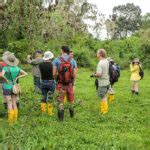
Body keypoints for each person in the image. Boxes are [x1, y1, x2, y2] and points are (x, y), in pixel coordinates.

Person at [0, 53, 27, 123]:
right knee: (14, 103)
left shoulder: (5, 68)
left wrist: (6, 80)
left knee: (9, 102)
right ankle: (15, 119)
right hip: (15, 87)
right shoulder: (17, 68)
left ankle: (10, 120)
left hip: (7, 86)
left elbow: (1, 75)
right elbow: (26, 74)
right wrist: (18, 77)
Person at [53, 46, 77, 121]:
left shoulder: (56, 60)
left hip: (60, 84)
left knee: (60, 101)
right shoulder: (72, 60)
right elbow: (74, 74)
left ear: (62, 50)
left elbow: (53, 74)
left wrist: (57, 78)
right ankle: (72, 116)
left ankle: (61, 119)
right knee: (71, 100)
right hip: (69, 84)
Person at [91, 49, 110, 114]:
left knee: (103, 96)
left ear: (100, 54)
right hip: (107, 81)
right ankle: (104, 109)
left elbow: (99, 74)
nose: (96, 54)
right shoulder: (106, 61)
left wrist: (94, 75)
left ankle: (104, 111)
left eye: (97, 53)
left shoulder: (100, 63)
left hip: (102, 83)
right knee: (105, 96)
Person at [39, 51, 56, 115]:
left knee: (43, 96)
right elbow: (54, 74)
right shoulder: (53, 65)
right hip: (51, 82)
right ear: (50, 58)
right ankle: (50, 112)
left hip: (43, 81)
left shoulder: (40, 65)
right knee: (50, 97)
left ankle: (43, 111)